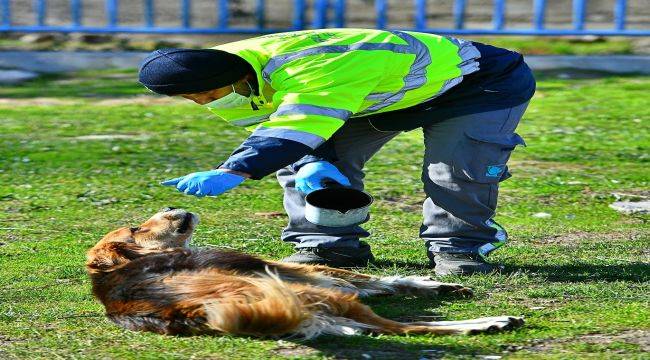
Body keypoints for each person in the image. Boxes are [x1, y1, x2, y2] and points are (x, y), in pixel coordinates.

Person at [138, 28, 535, 275]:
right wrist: (312, 160)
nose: (204, 102)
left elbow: (299, 125)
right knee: (302, 165)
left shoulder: (316, 68)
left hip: (476, 84)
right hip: (378, 96)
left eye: (208, 95)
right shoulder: (213, 71)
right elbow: (279, 133)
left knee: (455, 169)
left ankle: (459, 248)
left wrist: (236, 171)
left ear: (238, 79)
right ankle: (328, 246)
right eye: (192, 99)